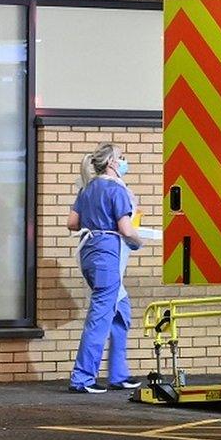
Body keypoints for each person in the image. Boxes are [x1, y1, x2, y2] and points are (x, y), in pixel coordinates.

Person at [67, 143, 143, 393]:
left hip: (90, 254)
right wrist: (138, 240)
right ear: (111, 162)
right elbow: (125, 229)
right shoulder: (116, 190)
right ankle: (82, 378)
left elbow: (72, 223)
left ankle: (118, 375)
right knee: (99, 318)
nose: (124, 161)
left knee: (121, 312)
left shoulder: (86, 189)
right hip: (107, 257)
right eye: (121, 157)